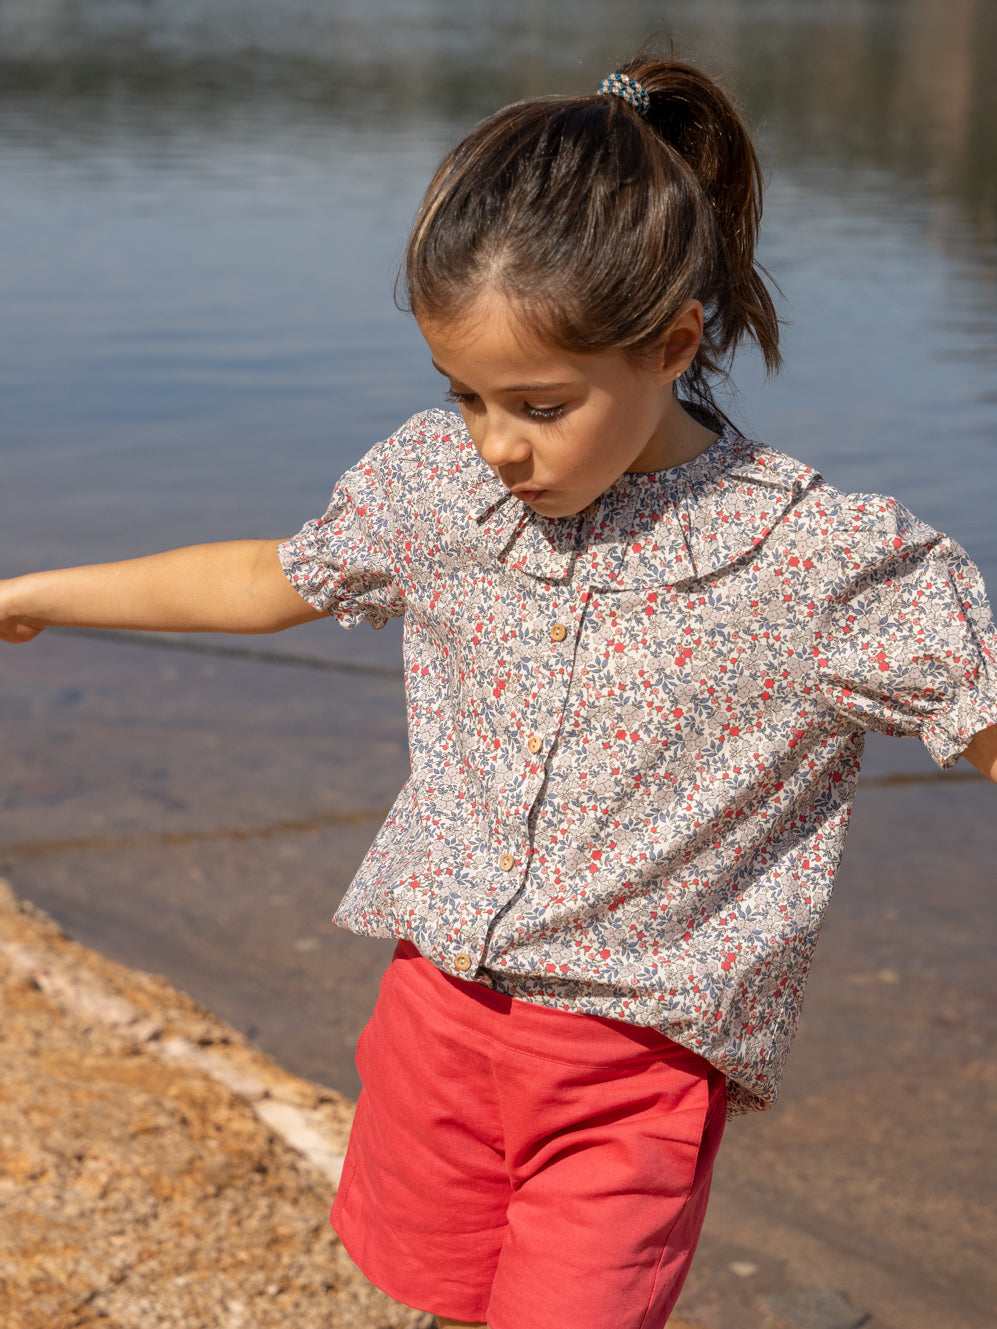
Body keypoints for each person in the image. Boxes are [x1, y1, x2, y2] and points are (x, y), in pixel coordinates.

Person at [2, 56, 996, 1329]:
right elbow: (267, 577)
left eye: (538, 404)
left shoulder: (819, 563)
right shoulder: (438, 488)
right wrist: (35, 592)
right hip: (436, 1019)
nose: (495, 445)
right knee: (439, 1305)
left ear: (673, 344)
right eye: (462, 395)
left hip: (630, 1073)